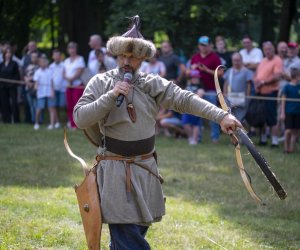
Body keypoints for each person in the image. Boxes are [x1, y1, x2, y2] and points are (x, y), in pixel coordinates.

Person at [73, 15, 241, 249]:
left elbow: (185, 99)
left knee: (133, 232)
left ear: (142, 58)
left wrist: (221, 116)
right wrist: (111, 96)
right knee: (127, 235)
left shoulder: (151, 83)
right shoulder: (100, 82)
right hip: (113, 169)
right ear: (116, 55)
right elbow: (80, 118)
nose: (126, 62)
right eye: (122, 55)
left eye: (133, 57)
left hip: (145, 167)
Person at [188, 35, 223, 143]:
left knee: (213, 114)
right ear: (199, 46)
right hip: (197, 90)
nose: (203, 47)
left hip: (211, 90)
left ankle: (215, 138)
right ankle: (197, 138)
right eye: (201, 45)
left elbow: (221, 73)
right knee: (197, 114)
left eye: (205, 45)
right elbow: (187, 73)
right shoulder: (195, 57)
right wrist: (191, 70)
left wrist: (206, 70)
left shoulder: (215, 57)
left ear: (209, 46)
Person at [253, 41, 283, 147]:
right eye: (265, 49)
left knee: (271, 117)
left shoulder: (277, 60)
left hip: (271, 92)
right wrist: (256, 83)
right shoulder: (263, 61)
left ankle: (275, 141)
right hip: (260, 92)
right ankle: (263, 139)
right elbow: (256, 75)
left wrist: (263, 82)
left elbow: (277, 76)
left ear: (273, 49)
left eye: (269, 49)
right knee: (261, 116)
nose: (268, 51)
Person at [223, 52, 253, 123]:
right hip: (231, 99)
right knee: (231, 119)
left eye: (238, 60)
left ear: (241, 60)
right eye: (234, 60)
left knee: (240, 119)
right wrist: (224, 95)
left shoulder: (246, 71)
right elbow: (225, 84)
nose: (236, 62)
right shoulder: (229, 71)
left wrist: (247, 97)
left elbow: (249, 85)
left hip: (243, 100)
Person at [63, 42, 85, 130]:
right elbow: (64, 72)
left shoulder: (80, 59)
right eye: (70, 48)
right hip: (68, 85)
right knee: (69, 105)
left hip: (77, 85)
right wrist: (67, 79)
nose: (72, 50)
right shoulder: (66, 61)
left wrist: (71, 79)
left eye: (73, 48)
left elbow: (80, 71)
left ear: (76, 49)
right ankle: (72, 124)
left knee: (77, 105)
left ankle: (78, 124)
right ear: (68, 50)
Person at [33, 55, 56, 130]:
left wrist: (52, 91)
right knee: (39, 108)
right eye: (41, 62)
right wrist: (36, 86)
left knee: (51, 108)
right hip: (41, 92)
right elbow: (36, 82)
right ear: (39, 63)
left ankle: (52, 125)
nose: (43, 63)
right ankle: (36, 123)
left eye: (44, 62)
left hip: (49, 92)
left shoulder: (50, 71)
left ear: (46, 63)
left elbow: (52, 82)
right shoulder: (37, 72)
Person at [280, 68, 300, 153]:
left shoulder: (299, 87)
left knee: (295, 131)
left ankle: (291, 149)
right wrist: (282, 113)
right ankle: (285, 148)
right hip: (289, 112)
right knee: (288, 130)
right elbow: (283, 101)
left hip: (298, 112)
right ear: (296, 77)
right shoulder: (287, 87)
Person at [0, 47, 21, 123]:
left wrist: (13, 82)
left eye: (9, 53)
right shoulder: (1, 64)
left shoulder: (14, 64)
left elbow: (17, 76)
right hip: (2, 87)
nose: (8, 54)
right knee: (4, 103)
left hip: (12, 86)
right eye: (7, 53)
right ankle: (6, 119)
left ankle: (16, 120)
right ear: (4, 54)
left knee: (14, 102)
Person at [49, 49, 66, 128]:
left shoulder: (64, 65)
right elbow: (51, 78)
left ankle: (68, 121)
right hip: (54, 89)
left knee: (63, 105)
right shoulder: (51, 66)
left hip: (63, 89)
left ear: (60, 56)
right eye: (55, 55)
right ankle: (57, 122)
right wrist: (52, 89)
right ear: (53, 56)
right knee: (55, 106)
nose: (56, 57)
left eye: (58, 55)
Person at [24, 51, 40, 123]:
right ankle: (33, 120)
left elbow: (40, 77)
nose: (34, 58)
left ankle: (39, 120)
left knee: (37, 105)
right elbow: (24, 75)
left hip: (37, 89)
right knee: (31, 106)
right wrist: (27, 81)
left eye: (35, 57)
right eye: (32, 57)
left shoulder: (40, 67)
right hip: (28, 88)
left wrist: (32, 80)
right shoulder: (28, 66)